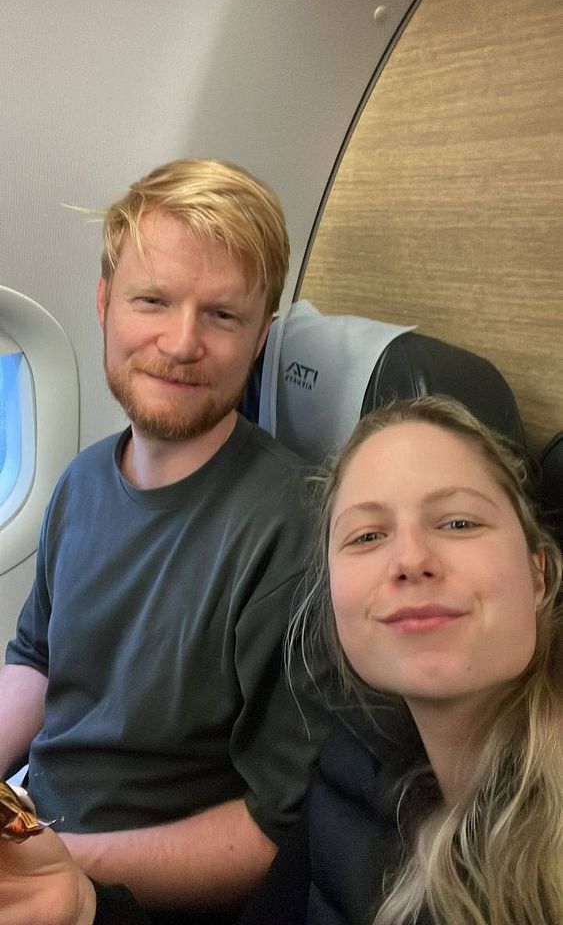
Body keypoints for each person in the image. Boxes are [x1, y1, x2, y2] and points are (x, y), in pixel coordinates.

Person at [1, 395, 562, 924]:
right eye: (368, 536)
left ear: (539, 572)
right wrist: (83, 907)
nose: (411, 559)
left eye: (459, 522)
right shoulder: (352, 760)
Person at [0, 159, 330, 923]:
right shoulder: (83, 480)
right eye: (152, 300)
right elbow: (37, 661)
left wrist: (51, 861)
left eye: (222, 315)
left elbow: (269, 833)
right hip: (39, 832)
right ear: (104, 304)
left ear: (260, 337)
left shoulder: (297, 529)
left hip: (126, 894)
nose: (181, 343)